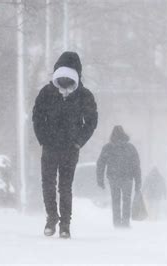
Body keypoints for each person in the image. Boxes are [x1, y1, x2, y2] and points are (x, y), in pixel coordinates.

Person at [32, 51, 98, 238]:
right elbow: (37, 116)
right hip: (51, 146)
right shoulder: (47, 93)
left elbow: (91, 121)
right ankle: (52, 219)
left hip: (70, 148)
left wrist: (78, 141)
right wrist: (43, 138)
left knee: (64, 186)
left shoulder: (84, 96)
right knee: (49, 184)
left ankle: (65, 224)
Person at [96, 126, 141, 228]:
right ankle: (125, 223)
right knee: (126, 201)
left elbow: (101, 164)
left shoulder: (108, 147)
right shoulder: (130, 148)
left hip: (113, 178)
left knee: (115, 201)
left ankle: (117, 223)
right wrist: (138, 182)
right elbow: (136, 165)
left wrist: (100, 180)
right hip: (127, 178)